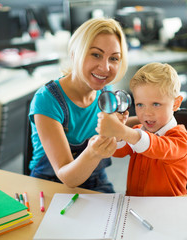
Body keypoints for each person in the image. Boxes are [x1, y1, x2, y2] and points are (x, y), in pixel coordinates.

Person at [28, 17, 128, 193]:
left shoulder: (106, 91)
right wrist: (94, 153)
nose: (105, 68)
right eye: (96, 54)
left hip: (96, 180)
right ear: (75, 54)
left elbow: (117, 129)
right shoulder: (47, 100)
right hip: (50, 185)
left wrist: (147, 120)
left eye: (113, 58)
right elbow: (68, 177)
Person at [96, 62, 187, 196]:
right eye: (140, 105)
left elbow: (156, 147)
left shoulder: (180, 138)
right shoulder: (138, 131)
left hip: (169, 210)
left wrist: (122, 130)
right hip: (135, 205)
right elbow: (118, 152)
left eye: (156, 104)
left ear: (176, 103)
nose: (147, 113)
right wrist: (118, 134)